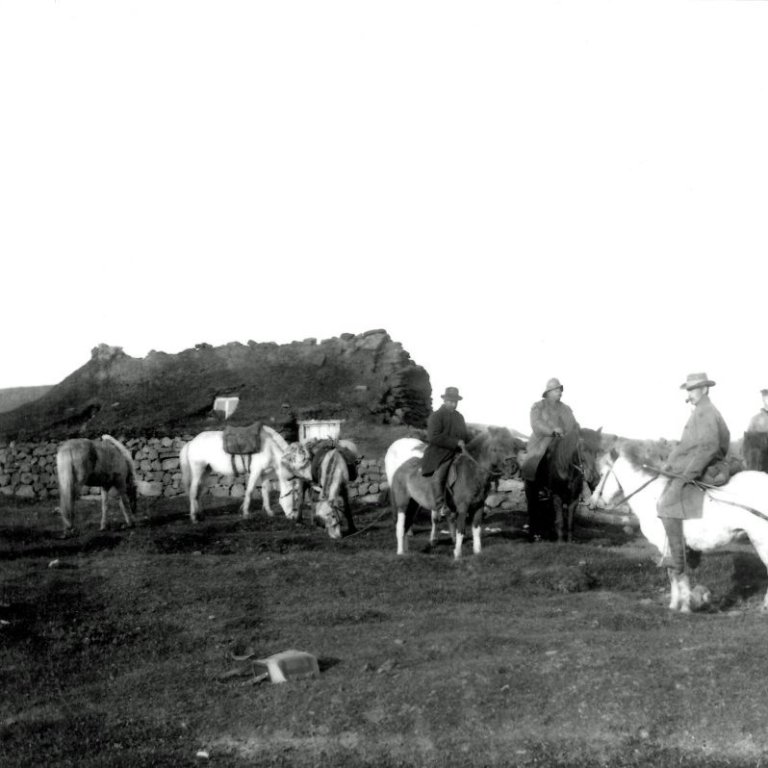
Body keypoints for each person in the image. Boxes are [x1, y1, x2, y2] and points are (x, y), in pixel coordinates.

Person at [657, 373, 730, 575]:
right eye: (688, 390)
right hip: (703, 464)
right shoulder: (700, 411)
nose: (689, 394)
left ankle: (679, 562)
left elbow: (708, 448)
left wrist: (686, 475)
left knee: (666, 503)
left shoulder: (705, 412)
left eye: (693, 389)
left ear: (705, 389)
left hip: (709, 466)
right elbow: (687, 447)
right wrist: (669, 466)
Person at [521, 378, 579, 539]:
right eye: (556, 390)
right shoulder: (538, 406)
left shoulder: (566, 408)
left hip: (562, 445)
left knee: (580, 462)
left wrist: (574, 430)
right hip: (542, 444)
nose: (560, 392)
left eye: (560, 390)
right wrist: (553, 430)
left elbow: (572, 424)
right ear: (548, 392)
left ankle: (583, 488)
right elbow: (536, 424)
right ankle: (534, 528)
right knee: (535, 466)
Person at [421, 386, 470, 517]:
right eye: (450, 401)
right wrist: (455, 442)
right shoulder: (436, 416)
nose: (453, 404)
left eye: (455, 401)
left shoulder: (459, 417)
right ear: (445, 400)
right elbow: (434, 437)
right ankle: (441, 505)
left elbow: (465, 435)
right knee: (440, 475)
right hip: (440, 453)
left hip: (458, 453)